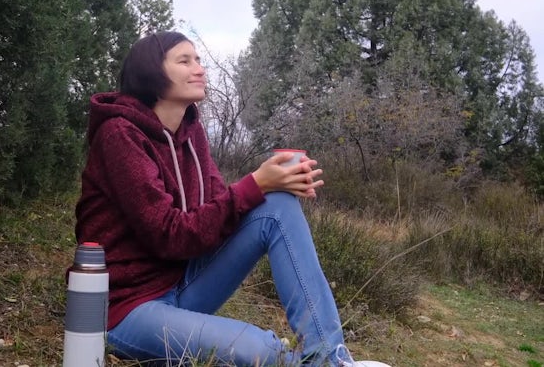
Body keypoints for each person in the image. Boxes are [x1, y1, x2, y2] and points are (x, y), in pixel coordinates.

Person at [75, 31, 390, 367]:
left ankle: (329, 357)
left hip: (183, 286)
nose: (199, 68)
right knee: (264, 353)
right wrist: (255, 184)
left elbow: (216, 210)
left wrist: (273, 186)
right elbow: (167, 235)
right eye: (184, 61)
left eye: (198, 59)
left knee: (277, 205)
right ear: (150, 72)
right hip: (128, 310)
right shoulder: (119, 134)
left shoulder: (191, 131)